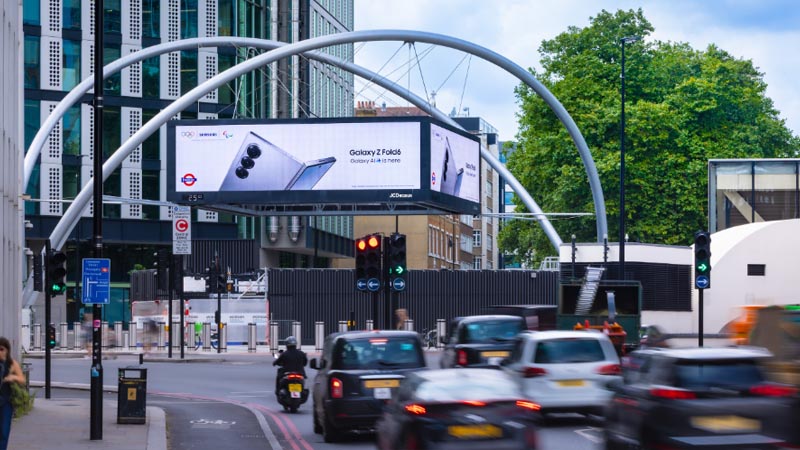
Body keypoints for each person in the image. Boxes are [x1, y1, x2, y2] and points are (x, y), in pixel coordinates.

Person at [0, 337, 26, 450]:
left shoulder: (11, 364)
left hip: (6, 401)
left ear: (7, 350)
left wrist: (13, 377)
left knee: (4, 431)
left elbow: (22, 379)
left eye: (1, 349)